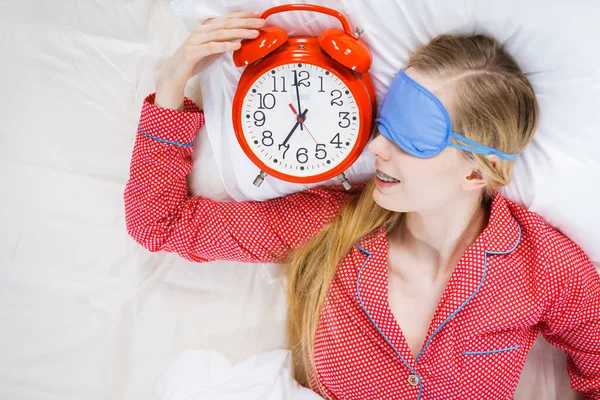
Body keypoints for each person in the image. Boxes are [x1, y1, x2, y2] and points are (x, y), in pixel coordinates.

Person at [124, 10, 600, 400]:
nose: (375, 150)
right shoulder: (328, 225)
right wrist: (172, 83)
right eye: (383, 127)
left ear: (475, 174)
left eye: (411, 141)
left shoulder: (546, 269)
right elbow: (159, 222)